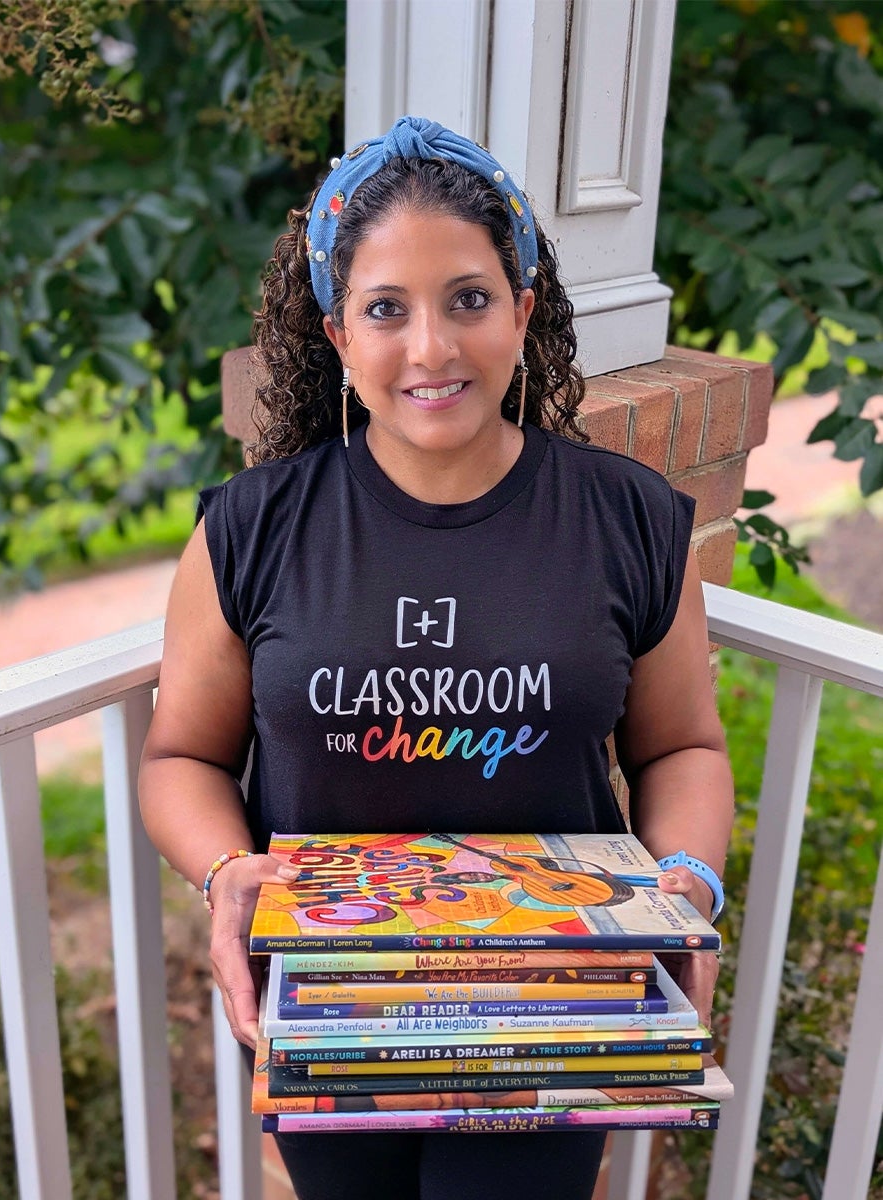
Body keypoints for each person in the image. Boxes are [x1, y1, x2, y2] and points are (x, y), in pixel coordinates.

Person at [139, 115, 734, 1200]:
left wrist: (684, 884)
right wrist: (229, 876)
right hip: (333, 1008)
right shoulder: (252, 529)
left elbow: (683, 745)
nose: (431, 349)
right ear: (336, 335)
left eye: (468, 298)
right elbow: (180, 757)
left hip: (564, 1009)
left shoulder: (633, 521)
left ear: (524, 306)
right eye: (385, 309)